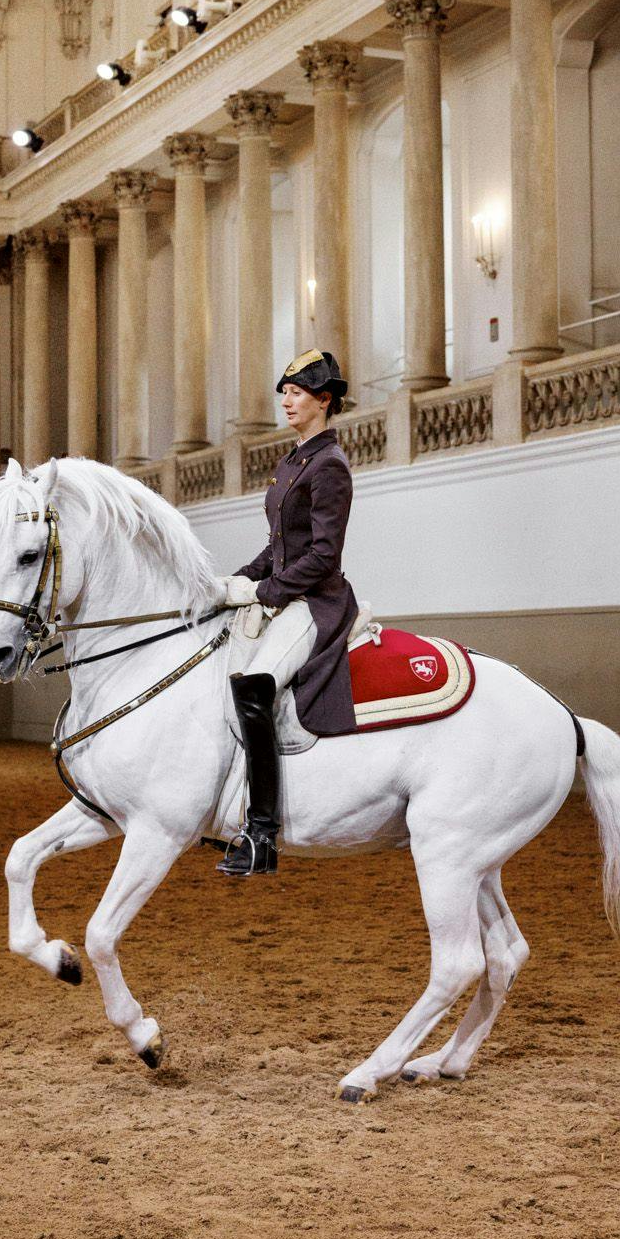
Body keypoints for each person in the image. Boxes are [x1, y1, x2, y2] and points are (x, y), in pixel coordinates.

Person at [216, 349, 359, 879]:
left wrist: (267, 592)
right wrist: (233, 582)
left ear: (325, 400)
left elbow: (323, 556)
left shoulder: (330, 466)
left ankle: (261, 834)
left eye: (297, 392)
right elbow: (276, 547)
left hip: (314, 602)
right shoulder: (292, 461)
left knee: (254, 686)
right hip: (285, 592)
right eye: (285, 391)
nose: (287, 400)